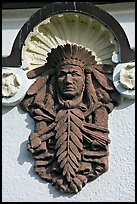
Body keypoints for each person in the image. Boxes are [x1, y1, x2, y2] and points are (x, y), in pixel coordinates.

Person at [21, 43, 121, 193]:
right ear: (55, 80)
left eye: (74, 74)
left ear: (85, 78)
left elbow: (99, 147)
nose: (68, 80)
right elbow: (41, 152)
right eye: (62, 74)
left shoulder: (98, 109)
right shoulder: (43, 111)